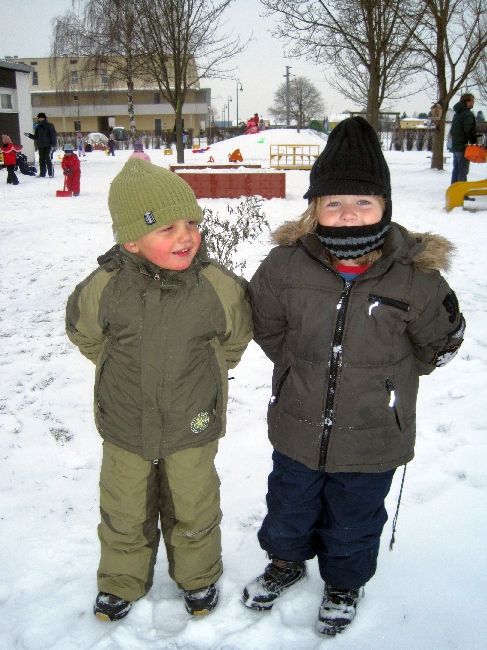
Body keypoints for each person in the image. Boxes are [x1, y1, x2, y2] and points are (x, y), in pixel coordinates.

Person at [242, 117, 465, 636]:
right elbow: (266, 326)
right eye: (334, 202)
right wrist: (297, 365)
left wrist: (391, 380)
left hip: (373, 435)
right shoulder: (285, 267)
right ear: (314, 208)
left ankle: (344, 583)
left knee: (354, 518)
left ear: (385, 205)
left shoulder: (415, 278)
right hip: (298, 424)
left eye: (363, 202)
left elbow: (439, 343)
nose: (348, 214)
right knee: (289, 505)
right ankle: (285, 562)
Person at [65, 159, 252, 622]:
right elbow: (85, 332)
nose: (186, 236)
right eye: (167, 228)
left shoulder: (216, 285)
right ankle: (121, 580)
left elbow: (235, 336)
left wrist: (209, 371)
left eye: (191, 223)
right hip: (125, 423)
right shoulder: (106, 286)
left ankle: (198, 576)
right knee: (124, 508)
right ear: (131, 240)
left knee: (194, 503)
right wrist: (113, 365)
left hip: (193, 421)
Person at [450, 93, 477, 191]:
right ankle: (461, 193)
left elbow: (452, 131)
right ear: (467, 102)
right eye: (472, 100)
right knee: (463, 171)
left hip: (455, 147)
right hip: (463, 147)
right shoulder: (467, 114)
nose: (473, 103)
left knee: (456, 169)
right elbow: (469, 130)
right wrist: (474, 142)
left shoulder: (457, 114)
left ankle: (453, 191)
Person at [24, 112, 57, 178]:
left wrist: (53, 144)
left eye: (42, 118)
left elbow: (53, 135)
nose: (40, 119)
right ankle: (42, 174)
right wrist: (29, 135)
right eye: (39, 118)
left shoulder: (49, 125)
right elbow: (36, 137)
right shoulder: (38, 127)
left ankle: (51, 173)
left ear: (45, 118)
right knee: (41, 160)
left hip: (48, 145)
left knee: (48, 158)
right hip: (41, 145)